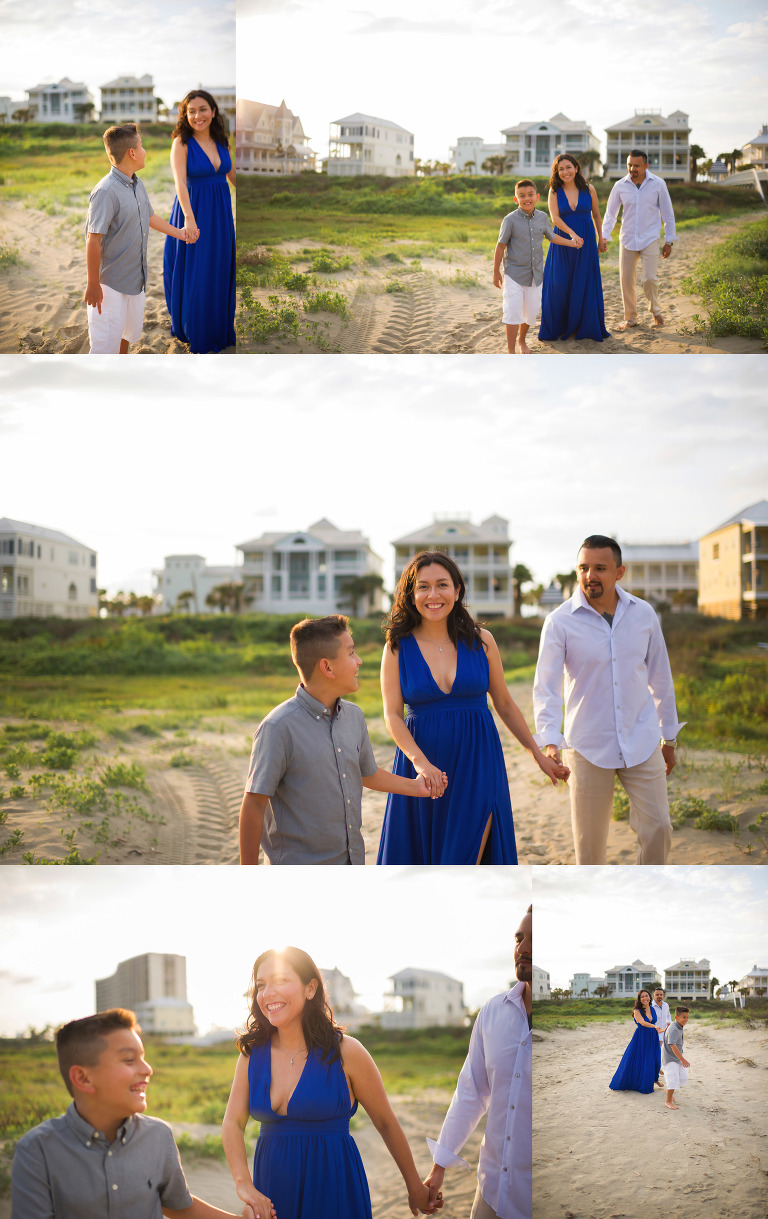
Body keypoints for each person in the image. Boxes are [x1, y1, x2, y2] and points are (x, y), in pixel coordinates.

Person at [222, 947, 441, 1219]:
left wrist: (414, 1186)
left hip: (333, 1189)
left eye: (280, 981)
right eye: (261, 985)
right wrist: (245, 1187)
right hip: (273, 1193)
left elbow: (385, 1121)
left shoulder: (347, 1052)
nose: (267, 993)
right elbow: (232, 1123)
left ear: (310, 988)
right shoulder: (251, 1055)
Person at [377, 552, 568, 865]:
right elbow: (392, 716)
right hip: (421, 766)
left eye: (442, 585)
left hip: (478, 763)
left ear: (457, 590)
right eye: (423, 587)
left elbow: (504, 703)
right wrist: (422, 764)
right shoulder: (397, 646)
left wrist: (537, 753)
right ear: (411, 595)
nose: (433, 595)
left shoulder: (483, 641)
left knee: (467, 858)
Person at [240, 615, 445, 865]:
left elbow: (366, 773)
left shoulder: (354, 716)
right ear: (327, 667)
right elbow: (254, 804)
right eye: (351, 653)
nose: (359, 661)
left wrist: (416, 787)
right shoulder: (277, 727)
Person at [11, 1008, 253, 1219]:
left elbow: (179, 1205)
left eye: (143, 1058)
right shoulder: (36, 1151)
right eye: (129, 1060)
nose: (147, 1069)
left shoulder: (158, 1136)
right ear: (83, 1078)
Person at [533, 534, 684, 865]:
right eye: (583, 568)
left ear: (619, 572)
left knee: (659, 828)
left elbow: (661, 677)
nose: (590, 576)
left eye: (600, 568)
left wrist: (668, 737)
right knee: (590, 849)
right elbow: (546, 688)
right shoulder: (558, 622)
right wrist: (550, 742)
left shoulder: (643, 614)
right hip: (587, 746)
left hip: (641, 741)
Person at [422, 906, 533, 1219]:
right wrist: (439, 1165)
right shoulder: (492, 1013)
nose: (522, 949)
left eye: (533, 941)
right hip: (492, 1188)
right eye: (518, 938)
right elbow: (471, 1093)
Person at [84, 123, 191, 354]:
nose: (145, 150)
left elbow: (150, 216)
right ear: (132, 153)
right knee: (104, 347)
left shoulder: (136, 182)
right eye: (142, 146)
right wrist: (93, 284)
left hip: (136, 279)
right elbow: (93, 240)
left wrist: (180, 233)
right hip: (109, 286)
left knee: (126, 336)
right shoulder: (105, 191)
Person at [163, 90, 236, 353]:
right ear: (185, 115)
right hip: (193, 211)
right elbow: (179, 183)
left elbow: (232, 175)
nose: (197, 116)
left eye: (203, 109)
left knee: (218, 267)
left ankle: (219, 327)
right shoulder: (181, 143)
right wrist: (190, 220)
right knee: (198, 271)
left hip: (221, 214)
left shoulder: (221, 141)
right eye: (191, 111)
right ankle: (198, 330)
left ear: (214, 111)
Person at [492, 179, 583, 354]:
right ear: (515, 199)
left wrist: (572, 243)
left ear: (537, 197)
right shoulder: (509, 220)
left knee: (531, 312)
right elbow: (500, 246)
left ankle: (522, 341)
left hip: (536, 275)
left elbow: (552, 237)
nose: (527, 199)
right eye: (522, 196)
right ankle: (511, 351)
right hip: (513, 274)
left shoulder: (542, 217)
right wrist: (496, 272)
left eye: (530, 195)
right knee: (512, 312)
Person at [538, 153, 610, 343]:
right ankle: (560, 326)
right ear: (557, 172)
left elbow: (596, 215)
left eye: (568, 167)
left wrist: (601, 238)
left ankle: (583, 326)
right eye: (560, 169)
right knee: (559, 282)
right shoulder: (554, 191)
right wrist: (571, 234)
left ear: (576, 168)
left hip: (586, 241)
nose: (565, 172)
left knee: (584, 282)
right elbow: (555, 218)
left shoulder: (589, 189)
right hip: (562, 240)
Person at [602, 150, 676, 331]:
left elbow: (667, 213)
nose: (632, 168)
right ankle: (630, 318)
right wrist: (604, 236)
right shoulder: (620, 186)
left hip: (650, 238)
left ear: (645, 166)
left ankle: (655, 310)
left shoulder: (658, 184)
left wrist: (669, 240)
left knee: (649, 278)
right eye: (629, 165)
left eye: (636, 165)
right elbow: (611, 214)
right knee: (626, 280)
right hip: (627, 239)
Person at [609, 990, 659, 1094]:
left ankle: (654, 1080)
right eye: (642, 997)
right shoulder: (637, 1010)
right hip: (641, 1037)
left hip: (653, 1037)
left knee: (656, 1059)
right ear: (639, 999)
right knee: (642, 1060)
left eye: (646, 996)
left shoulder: (653, 1009)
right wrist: (654, 1026)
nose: (645, 998)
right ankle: (643, 1085)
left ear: (650, 997)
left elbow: (654, 1022)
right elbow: (642, 1022)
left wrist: (661, 1029)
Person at [661, 1007, 690, 1111]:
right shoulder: (674, 1028)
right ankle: (668, 1101)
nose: (686, 1020)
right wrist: (682, 1059)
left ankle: (667, 1088)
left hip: (676, 1057)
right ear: (676, 1017)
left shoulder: (679, 1025)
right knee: (672, 1080)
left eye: (687, 1017)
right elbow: (673, 1045)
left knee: (683, 1077)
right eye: (683, 1017)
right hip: (670, 1057)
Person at [651, 987, 671, 1088]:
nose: (659, 996)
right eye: (657, 994)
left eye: (661, 995)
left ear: (663, 996)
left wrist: (669, 1024)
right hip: (653, 1034)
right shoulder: (651, 1006)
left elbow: (668, 1017)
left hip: (663, 1034)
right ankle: (656, 1071)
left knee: (658, 1053)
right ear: (653, 996)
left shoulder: (666, 1005)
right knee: (655, 1054)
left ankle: (657, 1068)